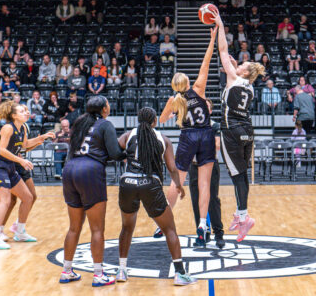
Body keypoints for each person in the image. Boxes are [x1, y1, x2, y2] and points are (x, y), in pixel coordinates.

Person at [115, 107, 196, 286]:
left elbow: (114, 150)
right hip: (150, 184)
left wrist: (125, 157)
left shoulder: (128, 136)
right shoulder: (163, 139)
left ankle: (121, 270)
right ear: (154, 121)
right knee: (169, 230)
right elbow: (172, 168)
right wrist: (179, 186)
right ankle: (180, 274)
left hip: (127, 183)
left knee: (126, 228)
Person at [158, 26, 217, 246]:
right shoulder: (199, 89)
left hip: (187, 137)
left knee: (177, 182)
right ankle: (202, 225)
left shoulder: (175, 101)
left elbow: (162, 120)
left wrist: (168, 105)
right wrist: (212, 39)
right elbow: (206, 62)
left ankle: (163, 223)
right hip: (206, 135)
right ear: (188, 83)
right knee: (204, 184)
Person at [59, 96, 125, 286]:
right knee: (97, 228)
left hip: (69, 169)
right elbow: (115, 154)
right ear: (104, 108)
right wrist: (127, 153)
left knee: (74, 227)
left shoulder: (79, 122)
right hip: (90, 171)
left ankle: (67, 271)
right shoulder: (105, 124)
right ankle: (98, 274)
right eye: (108, 104)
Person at [215, 13, 265, 242]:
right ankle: (242, 215)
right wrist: (235, 68)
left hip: (232, 131)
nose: (240, 63)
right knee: (242, 174)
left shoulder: (234, 78)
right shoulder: (250, 87)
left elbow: (223, 52)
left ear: (244, 72)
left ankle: (243, 217)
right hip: (248, 131)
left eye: (243, 64)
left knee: (236, 176)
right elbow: (234, 69)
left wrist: (220, 25)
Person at [0, 101, 55, 249]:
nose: (26, 112)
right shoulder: (7, 128)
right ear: (14, 115)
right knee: (5, 201)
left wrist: (41, 138)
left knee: (28, 197)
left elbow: (24, 145)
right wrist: (21, 160)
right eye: (21, 111)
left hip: (10, 167)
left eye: (25, 111)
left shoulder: (23, 127)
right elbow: (1, 150)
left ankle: (20, 231)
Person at [187, 100, 224, 248]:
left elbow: (217, 145)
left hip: (210, 166)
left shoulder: (215, 126)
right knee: (196, 199)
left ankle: (219, 234)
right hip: (194, 166)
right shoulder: (190, 125)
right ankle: (202, 234)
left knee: (213, 200)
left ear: (209, 111)